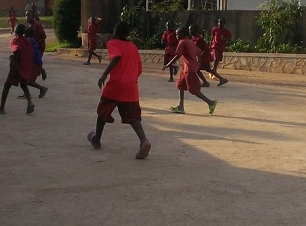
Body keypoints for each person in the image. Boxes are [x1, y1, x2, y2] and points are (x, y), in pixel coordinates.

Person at [87, 21, 151, 160]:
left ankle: (97, 139)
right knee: (133, 117)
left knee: (102, 112)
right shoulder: (133, 46)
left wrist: (104, 74)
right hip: (131, 86)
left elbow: (117, 57)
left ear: (115, 32)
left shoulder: (113, 43)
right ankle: (143, 140)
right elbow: (139, 68)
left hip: (116, 85)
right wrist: (130, 79)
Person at [163, 25, 218, 116]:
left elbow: (177, 55)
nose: (176, 36)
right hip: (186, 68)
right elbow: (198, 52)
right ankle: (181, 106)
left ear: (182, 34)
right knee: (180, 85)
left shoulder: (182, 42)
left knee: (193, 90)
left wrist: (168, 64)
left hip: (189, 69)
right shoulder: (191, 42)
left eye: (177, 34)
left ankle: (210, 103)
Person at [0, 24, 35, 115]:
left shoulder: (15, 40)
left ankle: (1, 108)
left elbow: (18, 50)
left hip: (18, 66)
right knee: (23, 85)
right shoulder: (27, 41)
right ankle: (30, 102)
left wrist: (13, 60)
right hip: (26, 65)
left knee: (7, 85)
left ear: (15, 32)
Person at [23, 27, 48, 98]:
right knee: (25, 79)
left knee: (29, 81)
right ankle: (26, 93)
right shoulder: (32, 41)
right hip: (36, 63)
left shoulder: (28, 42)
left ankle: (42, 88)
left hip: (35, 64)